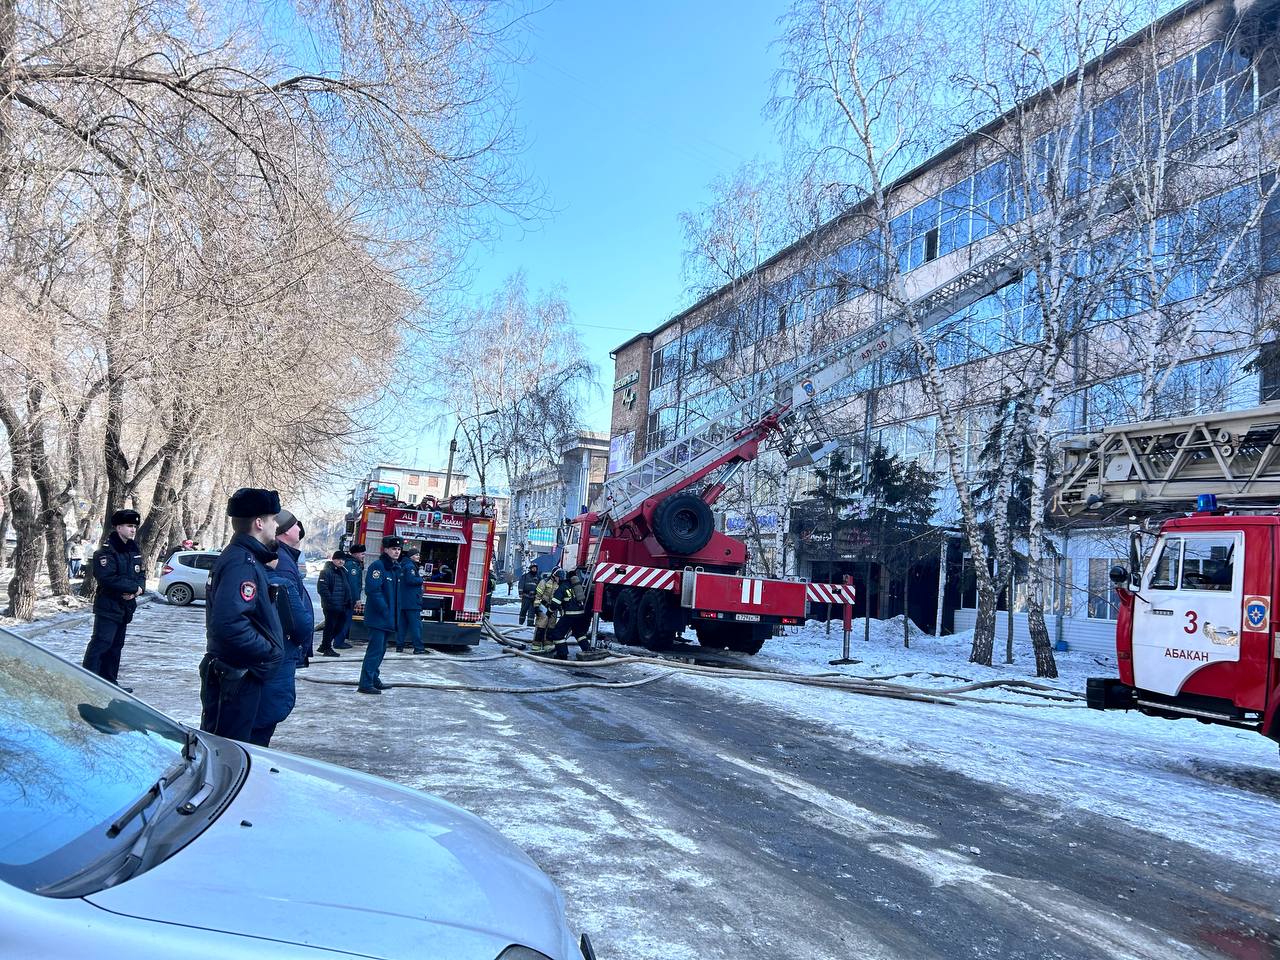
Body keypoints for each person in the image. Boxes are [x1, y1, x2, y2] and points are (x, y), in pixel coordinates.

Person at [199, 488, 285, 742]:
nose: (276, 525)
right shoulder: (241, 563)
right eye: (272, 519)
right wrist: (269, 651)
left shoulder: (247, 559)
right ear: (259, 523)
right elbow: (230, 625)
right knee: (226, 753)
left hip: (238, 675)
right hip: (235, 677)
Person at [81, 509, 146, 688]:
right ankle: (88, 682)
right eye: (129, 526)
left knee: (116, 647)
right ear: (118, 527)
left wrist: (138, 590)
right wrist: (134, 587)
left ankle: (109, 683)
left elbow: (141, 573)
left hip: (126, 607)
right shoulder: (105, 552)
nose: (133, 530)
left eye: (135, 526)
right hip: (108, 605)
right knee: (101, 644)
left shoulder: (134, 550)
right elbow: (107, 578)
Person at [358, 536, 402, 694]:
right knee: (375, 651)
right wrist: (385, 609)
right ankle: (365, 683)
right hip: (379, 618)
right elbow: (373, 590)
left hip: (388, 619)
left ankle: (374, 679)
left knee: (381, 650)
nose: (396, 552)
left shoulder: (395, 568)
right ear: (386, 550)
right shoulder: (378, 566)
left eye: (398, 549)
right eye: (393, 549)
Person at [272, 510, 314, 665]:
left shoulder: (285, 557)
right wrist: (300, 638)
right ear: (286, 531)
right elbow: (286, 609)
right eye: (296, 525)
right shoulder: (282, 562)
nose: (299, 529)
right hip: (285, 647)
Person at [550, 569, 598, 660]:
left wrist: (549, 612)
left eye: (556, 578)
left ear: (559, 578)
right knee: (579, 633)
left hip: (569, 614)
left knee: (557, 633)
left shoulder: (562, 587)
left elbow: (555, 604)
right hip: (580, 614)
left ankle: (562, 654)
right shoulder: (573, 586)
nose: (555, 579)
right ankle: (587, 649)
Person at [316, 551, 350, 657]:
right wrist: (330, 601)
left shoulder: (343, 571)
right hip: (331, 606)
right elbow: (322, 588)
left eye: (343, 559)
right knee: (330, 627)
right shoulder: (326, 571)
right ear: (333, 559)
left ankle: (324, 645)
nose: (341, 561)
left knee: (339, 626)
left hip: (341, 605)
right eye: (339, 559)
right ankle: (327, 648)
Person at [396, 549, 426, 654]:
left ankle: (399, 646)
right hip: (412, 602)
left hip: (403, 601)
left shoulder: (403, 565)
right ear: (411, 556)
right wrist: (421, 579)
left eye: (419, 554)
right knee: (415, 626)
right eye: (416, 554)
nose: (418, 556)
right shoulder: (410, 567)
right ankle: (418, 648)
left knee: (402, 625)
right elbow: (411, 580)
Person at [338, 542, 366, 649]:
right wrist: (357, 599)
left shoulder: (351, 564)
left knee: (344, 619)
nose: (363, 556)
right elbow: (353, 584)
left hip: (346, 598)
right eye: (362, 554)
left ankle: (339, 640)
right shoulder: (352, 566)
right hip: (348, 599)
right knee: (345, 620)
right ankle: (339, 641)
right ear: (355, 554)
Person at [531, 570, 561, 654]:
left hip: (553, 608)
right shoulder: (544, 581)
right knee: (541, 624)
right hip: (543, 606)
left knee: (551, 625)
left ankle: (548, 643)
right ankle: (536, 644)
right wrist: (536, 606)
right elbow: (538, 595)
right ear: (553, 574)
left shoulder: (559, 584)